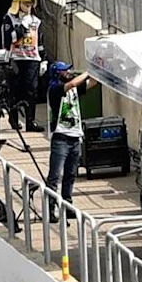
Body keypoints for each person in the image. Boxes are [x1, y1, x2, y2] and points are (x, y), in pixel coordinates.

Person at [0, 0, 45, 132]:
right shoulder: (9, 19)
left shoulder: (35, 21)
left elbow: (40, 40)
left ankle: (30, 122)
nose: (29, 7)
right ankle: (14, 119)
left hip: (32, 59)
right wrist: (20, 30)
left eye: (31, 3)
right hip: (16, 58)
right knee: (15, 90)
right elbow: (7, 40)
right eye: (26, 3)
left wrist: (43, 59)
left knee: (31, 90)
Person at [45, 64, 91, 203]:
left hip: (75, 137)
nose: (69, 72)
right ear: (58, 73)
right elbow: (72, 83)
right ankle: (51, 208)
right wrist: (88, 72)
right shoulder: (55, 90)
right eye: (66, 70)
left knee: (70, 175)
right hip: (61, 139)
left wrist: (99, 71)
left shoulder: (74, 89)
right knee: (55, 175)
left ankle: (67, 204)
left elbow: (92, 83)